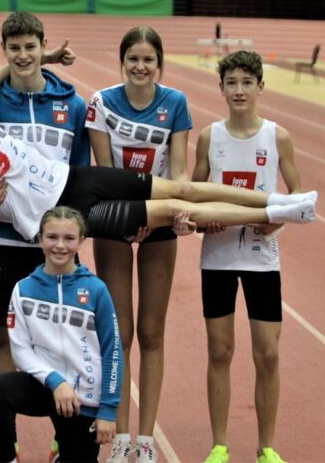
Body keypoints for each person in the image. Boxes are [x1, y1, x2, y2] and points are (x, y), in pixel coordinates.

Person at [0, 91, 316, 245]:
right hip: (68, 215)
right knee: (176, 211)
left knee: (184, 189)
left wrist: (48, 55)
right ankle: (275, 214)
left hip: (80, 177)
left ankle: (281, 200)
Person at [85, 26, 192, 462]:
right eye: (133, 59)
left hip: (160, 216)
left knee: (151, 331)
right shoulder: (102, 102)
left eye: (149, 59)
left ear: (159, 64)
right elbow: (104, 171)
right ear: (122, 61)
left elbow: (180, 172)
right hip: (115, 215)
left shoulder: (176, 103)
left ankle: (145, 442)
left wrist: (165, 214)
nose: (141, 66)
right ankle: (119, 438)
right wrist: (131, 218)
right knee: (120, 332)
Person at [0, 12, 86, 380]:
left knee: (58, 336)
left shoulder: (74, 106)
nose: (22, 55)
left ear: (43, 46)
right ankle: (8, 421)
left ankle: (56, 415)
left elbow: (78, 175)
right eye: (14, 48)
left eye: (30, 47)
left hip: (53, 242)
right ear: (3, 49)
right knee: (0, 334)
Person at [194, 51, 300, 463]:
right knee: (220, 351)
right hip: (218, 258)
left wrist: (278, 222)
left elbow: (297, 196)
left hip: (262, 259)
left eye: (246, 82)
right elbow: (195, 195)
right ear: (221, 88)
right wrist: (202, 222)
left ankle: (266, 447)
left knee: (268, 354)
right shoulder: (210, 137)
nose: (239, 90)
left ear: (260, 87)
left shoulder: (278, 137)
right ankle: (219, 445)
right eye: (232, 83)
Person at [0, 206, 122, 463]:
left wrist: (108, 410)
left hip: (82, 397)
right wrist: (55, 381)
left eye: (69, 238)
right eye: (52, 237)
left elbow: (112, 350)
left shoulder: (96, 289)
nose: (60, 245)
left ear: (81, 240)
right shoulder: (24, 289)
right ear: (40, 238)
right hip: (44, 385)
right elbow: (20, 349)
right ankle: (6, 458)